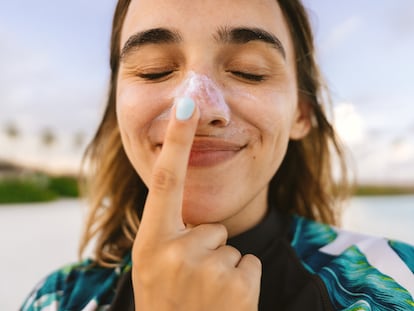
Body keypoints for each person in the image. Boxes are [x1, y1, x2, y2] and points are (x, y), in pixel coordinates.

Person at [22, 0, 414, 310]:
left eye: (249, 72)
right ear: (116, 112)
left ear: (301, 113)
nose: (199, 107)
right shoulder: (57, 298)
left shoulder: (398, 282)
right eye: (154, 71)